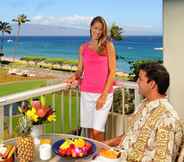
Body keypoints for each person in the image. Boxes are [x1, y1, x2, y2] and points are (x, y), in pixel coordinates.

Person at [104, 63, 183, 161]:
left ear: (152, 84)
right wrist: (104, 144)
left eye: (140, 79)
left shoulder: (167, 119)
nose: (137, 82)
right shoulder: (143, 105)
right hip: (118, 155)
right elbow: (129, 135)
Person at [65, 16, 116, 141]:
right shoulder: (83, 48)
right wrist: (74, 76)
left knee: (97, 131)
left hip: (103, 94)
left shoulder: (108, 46)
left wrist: (103, 96)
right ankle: (94, 158)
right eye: (95, 28)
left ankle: (102, 156)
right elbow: (80, 70)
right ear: (91, 27)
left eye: (101, 29)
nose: (98, 32)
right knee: (89, 132)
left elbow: (112, 71)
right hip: (86, 92)